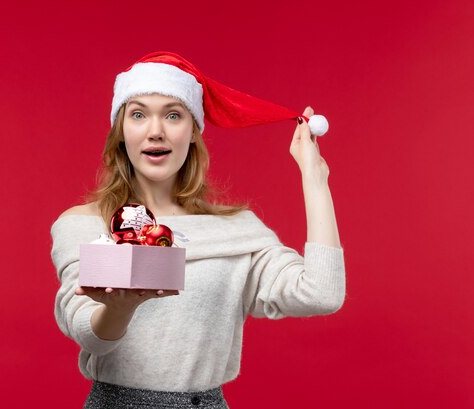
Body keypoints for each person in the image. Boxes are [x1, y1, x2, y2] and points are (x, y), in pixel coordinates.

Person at [50, 51, 345, 409]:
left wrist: (315, 179)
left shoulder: (237, 231)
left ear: (192, 131)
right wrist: (119, 308)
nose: (155, 131)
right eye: (138, 114)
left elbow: (321, 294)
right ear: (121, 130)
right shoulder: (85, 224)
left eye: (173, 115)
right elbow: (88, 334)